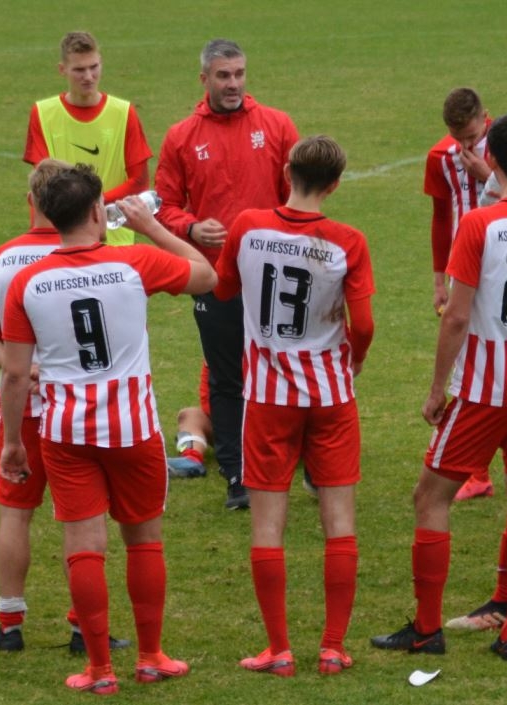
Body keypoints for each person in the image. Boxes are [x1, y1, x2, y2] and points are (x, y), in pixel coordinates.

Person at [371, 114, 507, 662]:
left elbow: (457, 316)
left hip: (487, 386)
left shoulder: (480, 224)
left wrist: (436, 389)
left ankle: (427, 628)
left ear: (491, 159)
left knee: (430, 496)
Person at [0, 165, 214, 693]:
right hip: (133, 428)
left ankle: (98, 669)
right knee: (143, 541)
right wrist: (152, 227)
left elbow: (14, 373)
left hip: (65, 432)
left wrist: (11, 441)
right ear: (98, 211)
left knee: (85, 546)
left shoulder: (27, 282)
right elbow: (206, 275)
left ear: (47, 214)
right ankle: (151, 656)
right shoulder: (133, 263)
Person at [212, 136, 373, 677]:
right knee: (339, 521)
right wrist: (355, 357)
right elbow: (364, 324)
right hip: (330, 395)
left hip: (268, 398)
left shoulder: (248, 226)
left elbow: (224, 289)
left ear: (286, 172)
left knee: (267, 525)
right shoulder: (347, 241)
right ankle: (332, 647)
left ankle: (278, 649)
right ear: (335, 184)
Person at [0, 159, 134, 655]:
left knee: (15, 513)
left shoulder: (3, 259)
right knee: (84, 520)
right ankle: (84, 628)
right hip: (80, 410)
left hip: (23, 408)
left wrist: (18, 365)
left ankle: (9, 623)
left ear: (31, 202)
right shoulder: (101, 258)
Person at [155, 38, 299, 510]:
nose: (233, 83)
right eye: (223, 76)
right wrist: (191, 227)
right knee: (225, 377)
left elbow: (297, 198)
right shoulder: (181, 137)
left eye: (239, 74)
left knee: (287, 365)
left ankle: (296, 457)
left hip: (274, 277)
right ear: (204, 80)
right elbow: (164, 205)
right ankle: (238, 476)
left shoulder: (277, 126)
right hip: (215, 279)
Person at [422, 87, 507, 502]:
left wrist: (486, 176)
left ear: (485, 119)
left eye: (471, 134)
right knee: (467, 360)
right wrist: (439, 279)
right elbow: (441, 218)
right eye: (456, 135)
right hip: (466, 266)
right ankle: (476, 473)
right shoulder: (439, 157)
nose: (463, 143)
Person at [24, 31, 153, 247]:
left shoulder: (123, 113)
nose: (89, 76)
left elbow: (139, 182)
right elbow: (41, 187)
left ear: (101, 63)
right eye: (79, 70)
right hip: (61, 239)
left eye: (94, 67)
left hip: (115, 239)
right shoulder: (43, 113)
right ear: (62, 70)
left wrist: (86, 205)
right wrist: (38, 237)